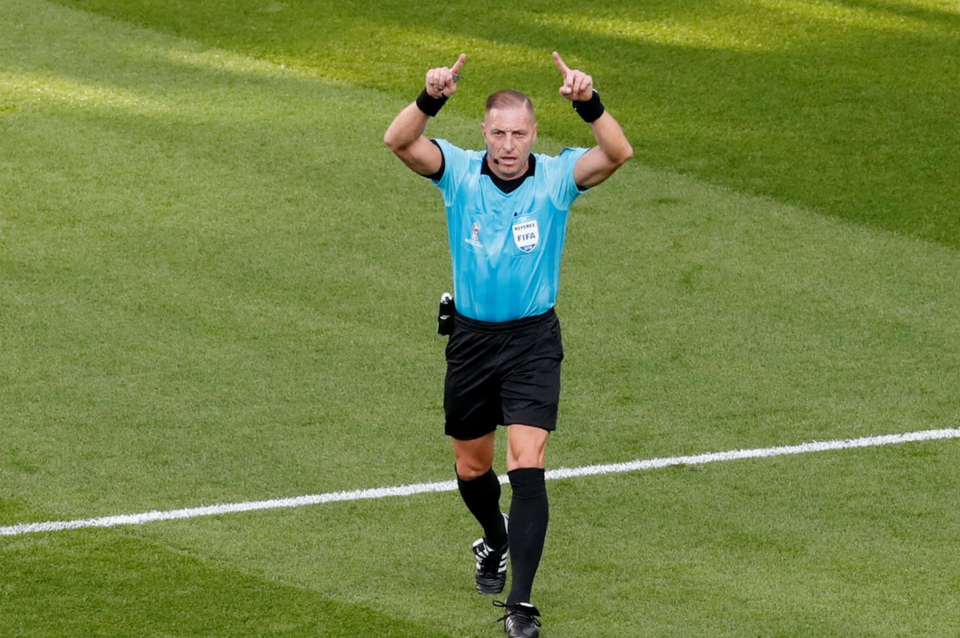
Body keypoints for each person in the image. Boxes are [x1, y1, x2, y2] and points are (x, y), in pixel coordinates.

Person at [384, 51, 632, 638]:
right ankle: (493, 539)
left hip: (532, 341)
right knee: (472, 467)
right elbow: (398, 141)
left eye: (519, 134)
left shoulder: (557, 178)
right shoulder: (458, 171)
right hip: (471, 341)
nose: (508, 145)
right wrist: (430, 97)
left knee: (527, 462)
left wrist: (589, 103)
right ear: (484, 132)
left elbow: (618, 152)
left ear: (534, 134)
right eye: (498, 133)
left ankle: (520, 604)